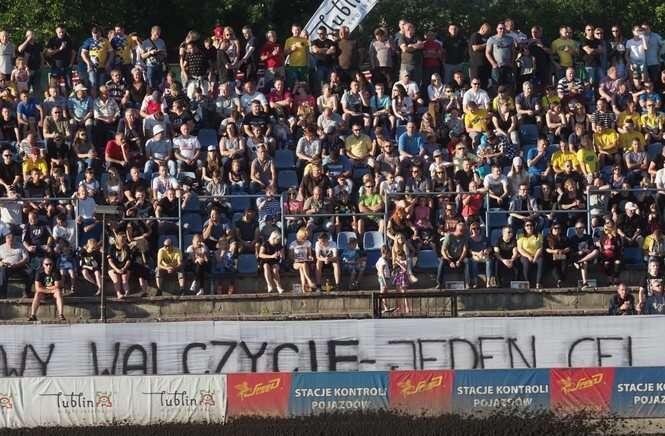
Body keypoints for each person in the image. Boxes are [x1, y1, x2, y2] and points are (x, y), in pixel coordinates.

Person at [28, 257, 65, 322]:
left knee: (58, 292)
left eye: (50, 264)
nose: (49, 266)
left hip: (53, 293)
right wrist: (50, 289)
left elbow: (57, 286)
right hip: (44, 292)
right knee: (37, 294)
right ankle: (33, 315)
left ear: (52, 265)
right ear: (43, 265)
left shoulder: (56, 272)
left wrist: (44, 288)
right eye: (46, 264)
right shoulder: (39, 272)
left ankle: (61, 314)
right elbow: (37, 288)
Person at [437, 221, 469, 288]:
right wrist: (449, 261)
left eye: (464, 230)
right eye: (461, 230)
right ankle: (439, 283)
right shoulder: (449, 236)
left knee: (467, 261)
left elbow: (465, 250)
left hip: (459, 257)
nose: (462, 232)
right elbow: (443, 250)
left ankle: (467, 283)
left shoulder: (464, 237)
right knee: (442, 261)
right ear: (456, 229)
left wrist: (460, 260)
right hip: (449, 257)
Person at [0, 232, 31, 299]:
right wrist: (2, 263)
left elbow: (26, 258)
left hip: (20, 266)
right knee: (3, 271)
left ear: (14, 239)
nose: (10, 241)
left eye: (12, 240)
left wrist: (18, 264)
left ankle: (27, 292)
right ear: (5, 239)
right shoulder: (1, 248)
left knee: (30, 272)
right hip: (7, 267)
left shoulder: (20, 246)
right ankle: (3, 294)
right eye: (8, 239)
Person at [517, 220, 543, 288]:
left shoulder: (539, 235)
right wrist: (528, 256)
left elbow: (540, 248)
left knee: (541, 261)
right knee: (526, 263)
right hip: (525, 255)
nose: (529, 227)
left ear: (533, 226)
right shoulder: (521, 236)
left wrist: (535, 257)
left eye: (531, 225)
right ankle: (527, 283)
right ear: (524, 227)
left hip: (536, 255)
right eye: (527, 225)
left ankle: (538, 283)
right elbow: (520, 249)